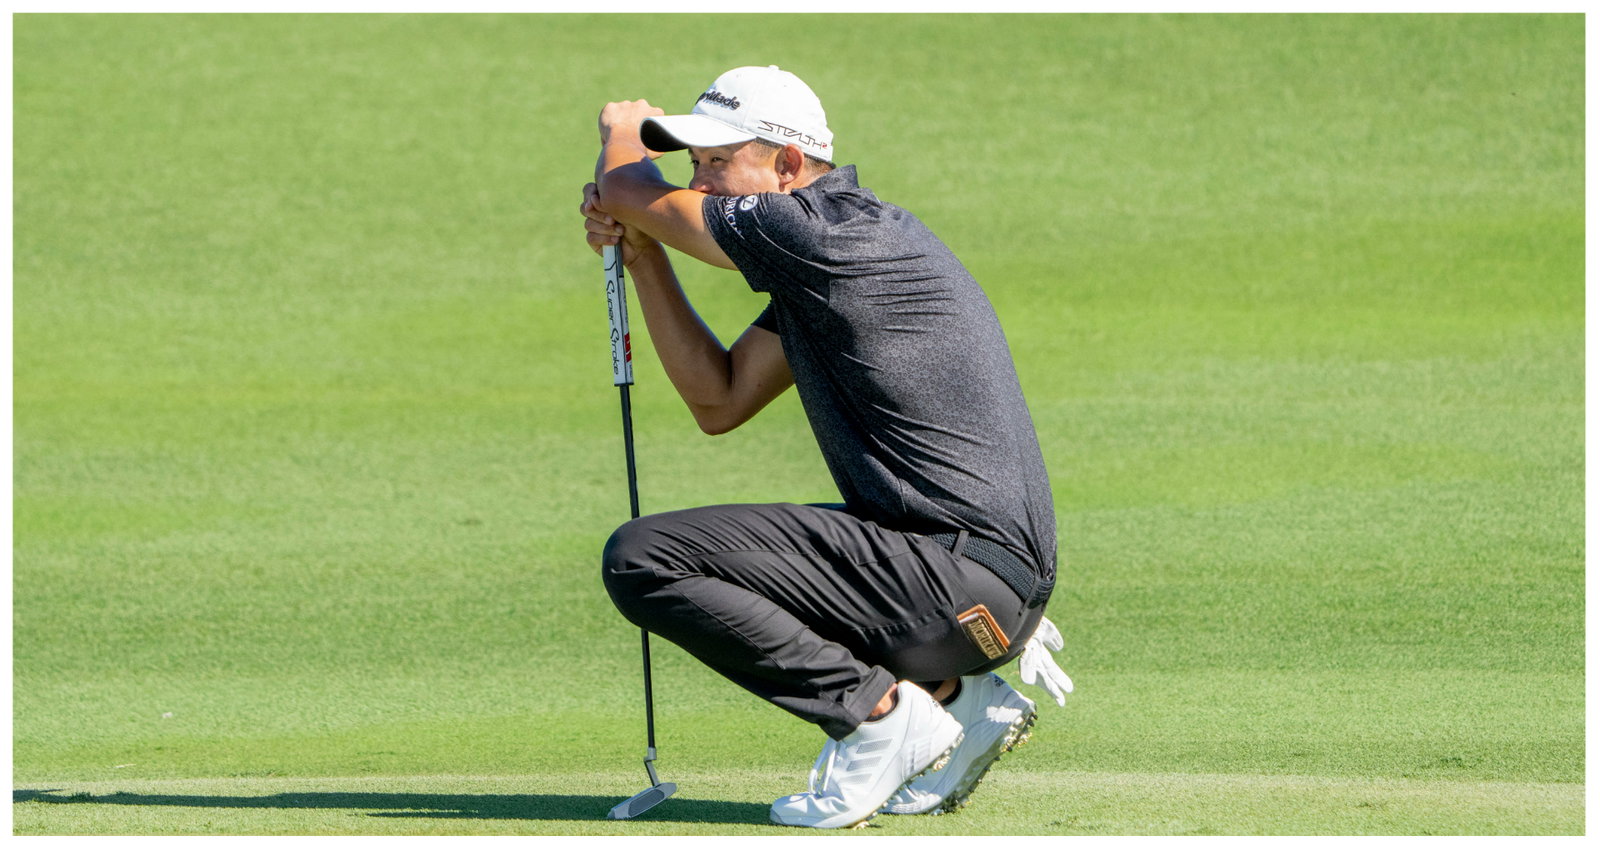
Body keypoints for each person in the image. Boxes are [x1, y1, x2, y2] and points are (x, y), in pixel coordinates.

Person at [581, 65, 1071, 829]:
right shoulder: (828, 255)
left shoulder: (818, 230)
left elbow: (625, 187)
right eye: (693, 166)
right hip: (973, 590)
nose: (701, 184)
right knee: (700, 557)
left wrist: (620, 136)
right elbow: (721, 397)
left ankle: (876, 715)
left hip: (960, 577)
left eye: (719, 162)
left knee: (645, 557)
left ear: (786, 163)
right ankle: (955, 700)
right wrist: (644, 253)